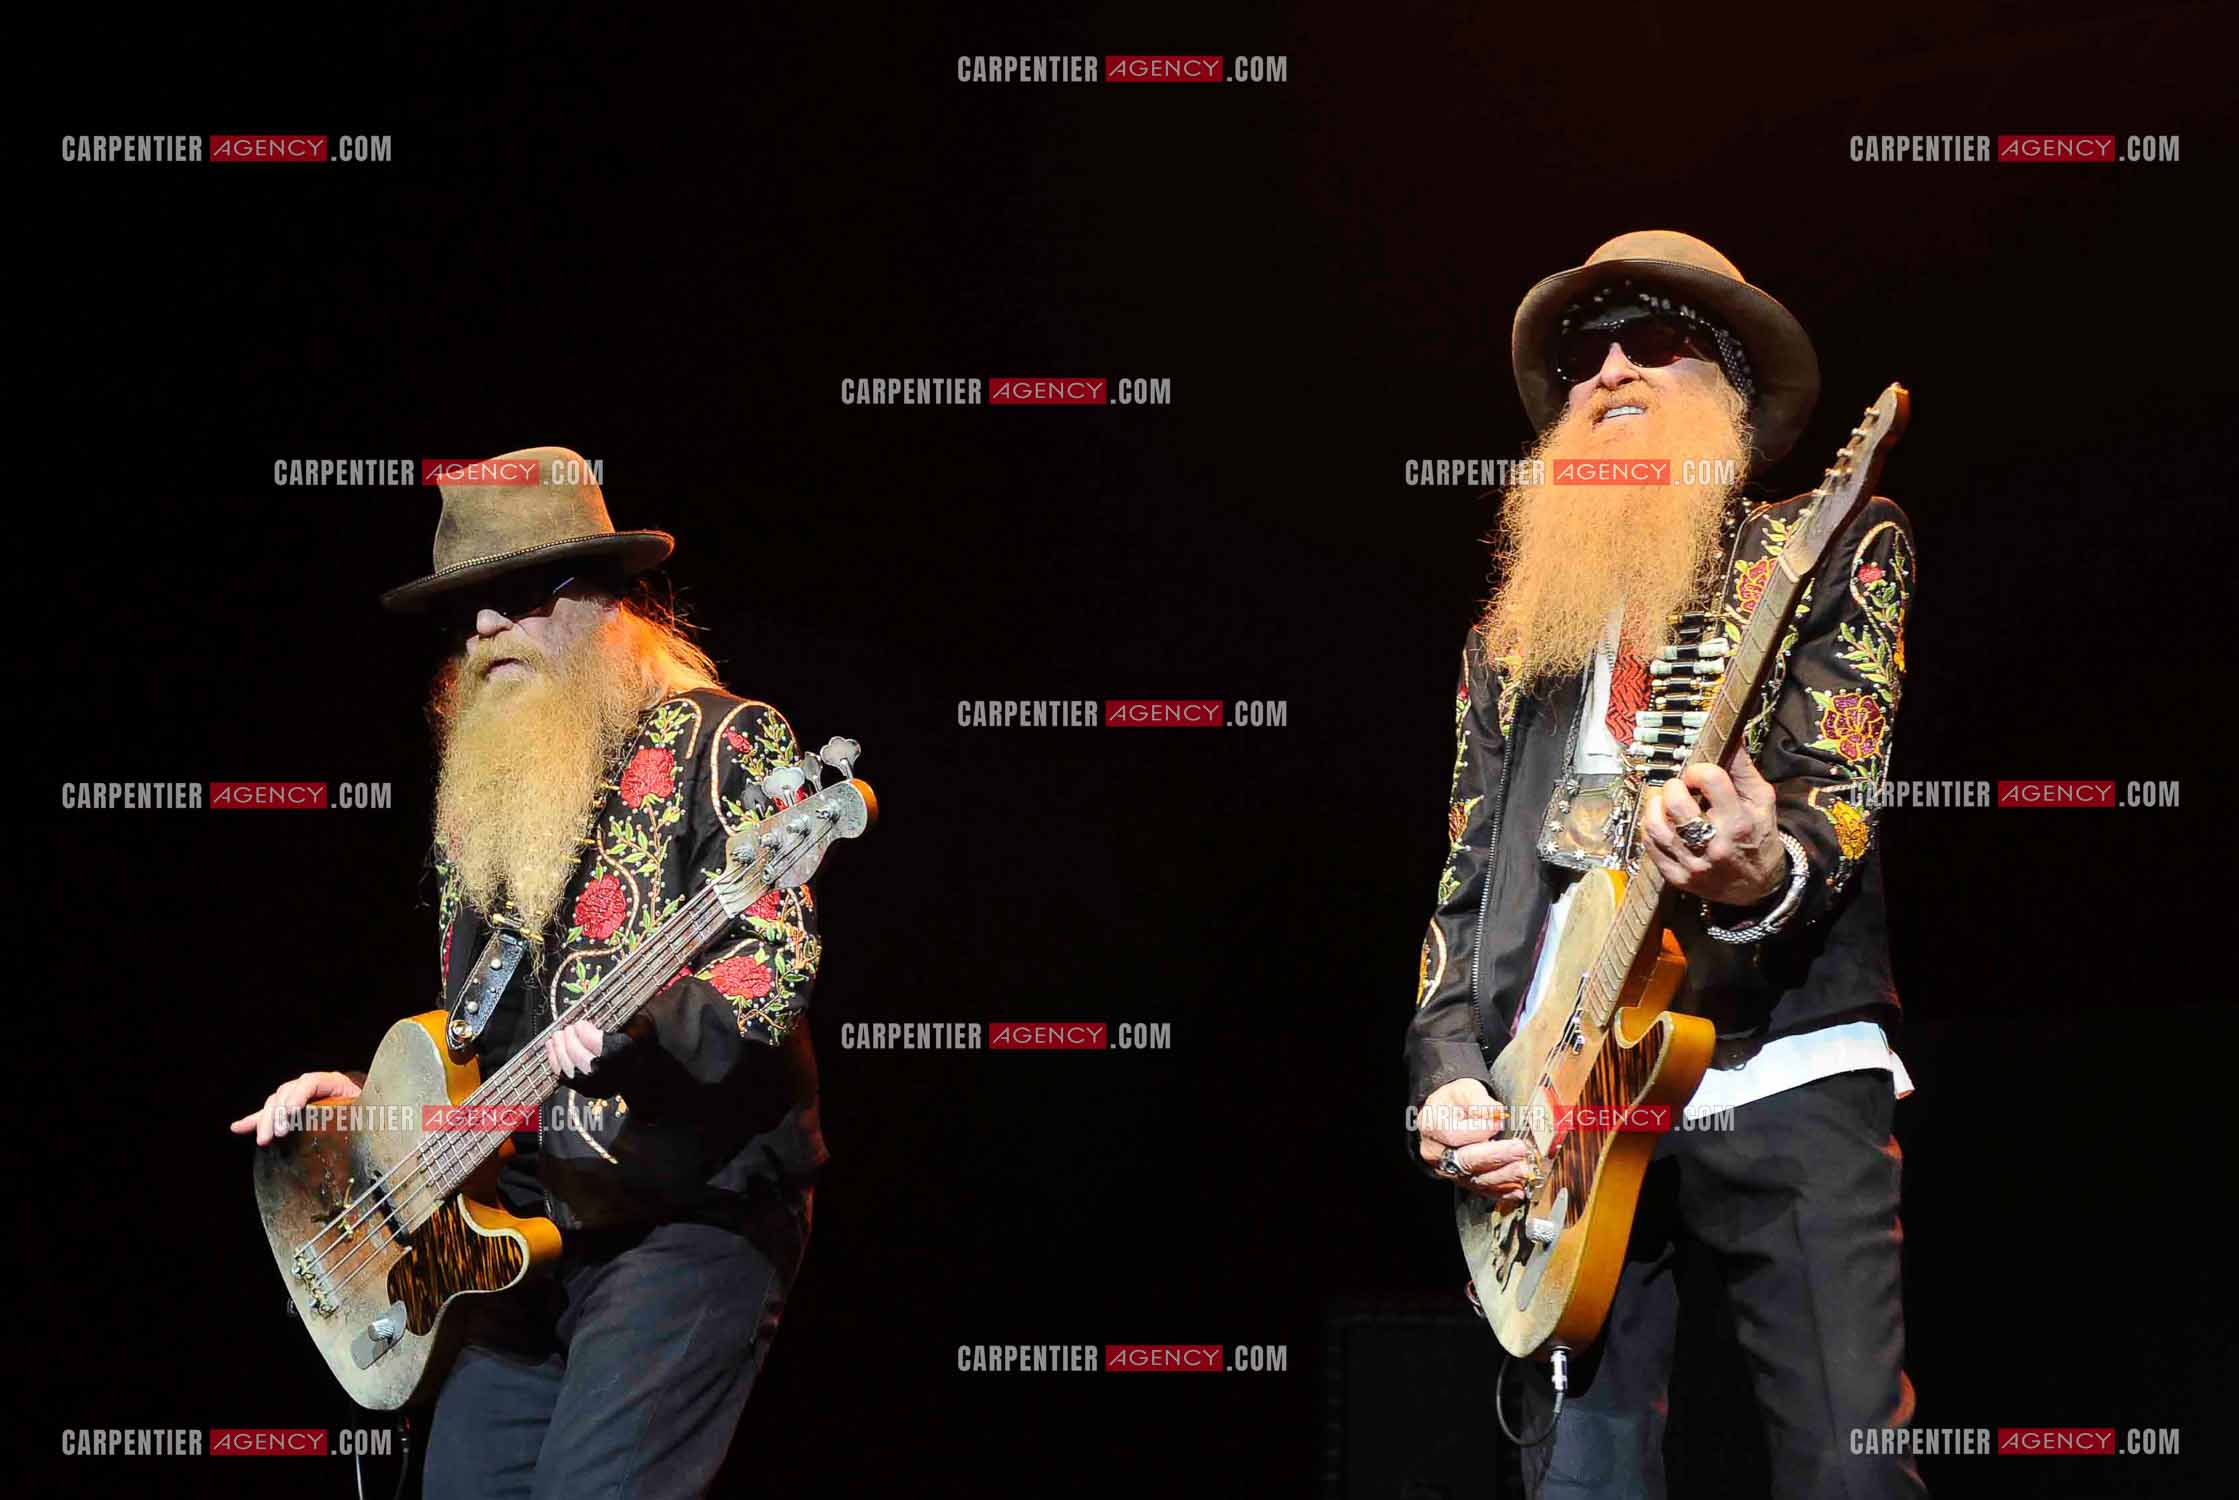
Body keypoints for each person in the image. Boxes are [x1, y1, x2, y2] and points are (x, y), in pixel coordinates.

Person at [1405, 234, 1924, 1497]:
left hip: (1775, 1057)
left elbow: (1832, 798)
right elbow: (1464, 887)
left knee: (1845, 1473)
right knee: (1584, 1485)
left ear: (1733, 394)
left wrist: (1761, 865)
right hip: (1562, 1116)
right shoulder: (1509, 640)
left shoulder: (1835, 539)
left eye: (1657, 340)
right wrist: (1448, 1079)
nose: (1612, 368)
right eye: (1583, 355)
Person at [233, 448, 824, 1498]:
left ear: (607, 597)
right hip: (522, 1238)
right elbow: (483, 1042)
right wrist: (379, 1117)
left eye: (513, 596)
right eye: (467, 608)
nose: (483, 632)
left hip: (684, 1225)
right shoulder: (489, 781)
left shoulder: (726, 743)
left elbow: (768, 978)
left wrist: (650, 1018)